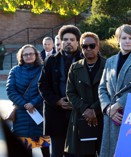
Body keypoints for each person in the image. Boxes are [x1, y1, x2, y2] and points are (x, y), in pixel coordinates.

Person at [98, 24, 131, 157]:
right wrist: (107, 108)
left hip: (129, 116)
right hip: (110, 117)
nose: (127, 41)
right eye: (124, 38)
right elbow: (102, 87)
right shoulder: (110, 61)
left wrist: (118, 104)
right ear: (118, 40)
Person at [38, 25, 82, 157]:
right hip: (55, 113)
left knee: (75, 152)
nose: (68, 42)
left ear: (77, 42)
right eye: (65, 39)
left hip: (78, 113)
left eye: (72, 39)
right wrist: (57, 101)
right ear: (61, 42)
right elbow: (42, 85)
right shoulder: (50, 60)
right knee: (56, 152)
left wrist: (77, 103)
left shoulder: (84, 60)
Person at [65, 32, 106, 156]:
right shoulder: (75, 67)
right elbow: (70, 92)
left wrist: (95, 110)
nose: (88, 49)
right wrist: (85, 110)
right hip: (81, 118)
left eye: (92, 46)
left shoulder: (109, 65)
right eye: (84, 46)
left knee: (104, 151)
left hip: (103, 117)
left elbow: (111, 91)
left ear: (98, 46)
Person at [6, 44, 50, 157]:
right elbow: (11, 90)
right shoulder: (15, 70)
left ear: (36, 55)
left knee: (43, 146)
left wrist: (33, 103)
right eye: (25, 54)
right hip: (21, 114)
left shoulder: (43, 69)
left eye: (31, 53)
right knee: (25, 148)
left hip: (39, 113)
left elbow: (47, 89)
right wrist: (24, 104)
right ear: (21, 56)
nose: (28, 56)